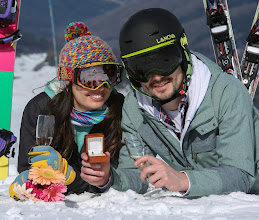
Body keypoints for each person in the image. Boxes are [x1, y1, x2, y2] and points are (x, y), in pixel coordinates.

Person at [109, 8, 259, 198]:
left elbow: (241, 176)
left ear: (183, 53)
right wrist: (108, 178)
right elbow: (137, 175)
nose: (156, 77)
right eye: (141, 69)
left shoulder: (225, 92)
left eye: (165, 61)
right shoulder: (135, 108)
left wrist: (182, 180)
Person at [9, 21, 124, 200]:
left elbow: (120, 175)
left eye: (108, 74)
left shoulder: (120, 109)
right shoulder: (41, 110)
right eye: (89, 78)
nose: (101, 87)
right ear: (68, 80)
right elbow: (29, 171)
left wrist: (68, 176)